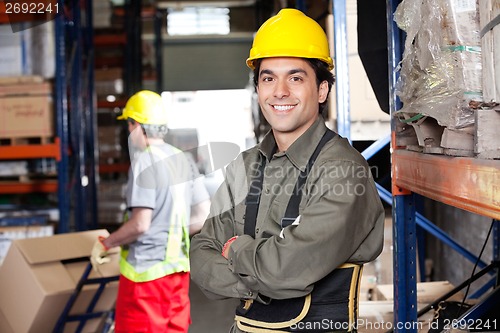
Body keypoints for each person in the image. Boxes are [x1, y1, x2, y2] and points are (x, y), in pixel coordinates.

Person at [189, 8, 385, 333]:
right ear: (258, 89)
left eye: (295, 77)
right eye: (268, 78)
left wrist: (235, 249)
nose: (279, 91)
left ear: (322, 90)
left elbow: (285, 270)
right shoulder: (245, 166)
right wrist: (261, 281)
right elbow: (200, 255)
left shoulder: (343, 171)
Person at [90, 90, 211, 333]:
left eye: (129, 125)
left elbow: (140, 224)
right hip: (177, 272)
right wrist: (169, 232)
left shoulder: (145, 161)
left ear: (137, 126)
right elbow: (202, 215)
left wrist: (107, 243)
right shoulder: (183, 159)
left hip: (145, 276)